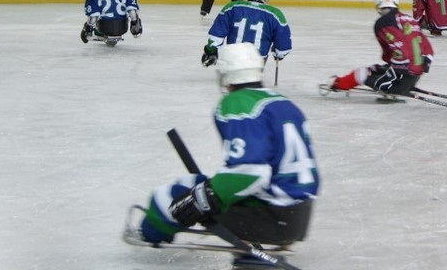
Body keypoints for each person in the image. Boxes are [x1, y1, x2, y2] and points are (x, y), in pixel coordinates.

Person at [135, 43, 318, 248]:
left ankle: (149, 235)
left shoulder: (239, 103)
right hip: (298, 215)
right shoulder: (282, 102)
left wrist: (204, 198)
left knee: (169, 196)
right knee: (193, 182)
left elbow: (250, 173)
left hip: (268, 214)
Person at [325, 0, 434, 96]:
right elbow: (427, 49)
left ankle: (338, 84)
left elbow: (391, 52)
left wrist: (397, 71)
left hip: (400, 79)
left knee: (362, 74)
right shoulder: (410, 19)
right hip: (414, 74)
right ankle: (402, 84)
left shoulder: (381, 23)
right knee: (377, 69)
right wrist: (420, 69)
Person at [202, 0, 292, 67]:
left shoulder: (232, 7)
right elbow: (283, 45)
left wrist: (211, 51)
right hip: (257, 63)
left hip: (232, 59)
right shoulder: (274, 14)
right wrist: (279, 54)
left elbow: (217, 33)